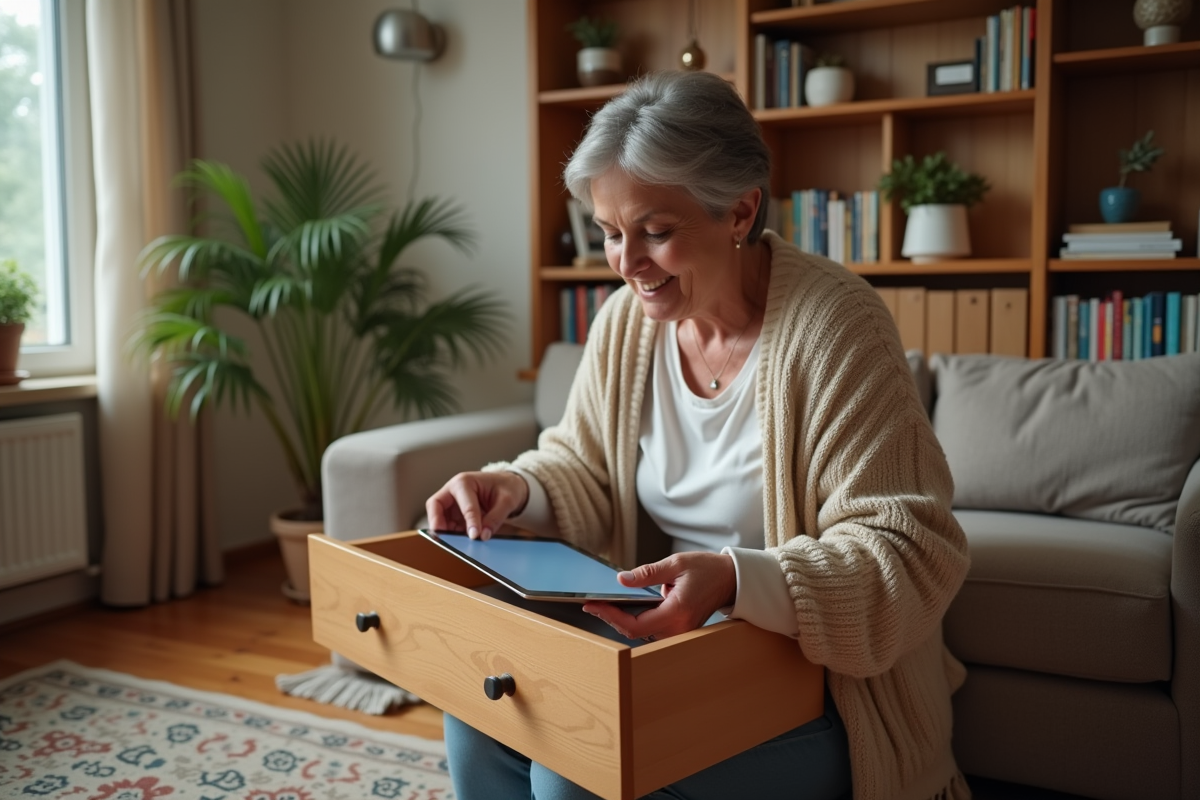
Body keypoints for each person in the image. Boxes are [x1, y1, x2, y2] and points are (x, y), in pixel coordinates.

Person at [426, 70, 971, 800]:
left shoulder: (838, 327)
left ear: (740, 210)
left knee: (574, 767)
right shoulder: (628, 322)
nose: (627, 264)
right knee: (482, 707)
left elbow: (908, 548)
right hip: (672, 657)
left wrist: (740, 579)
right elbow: (583, 466)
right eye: (611, 234)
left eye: (655, 232)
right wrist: (514, 488)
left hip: (818, 691)